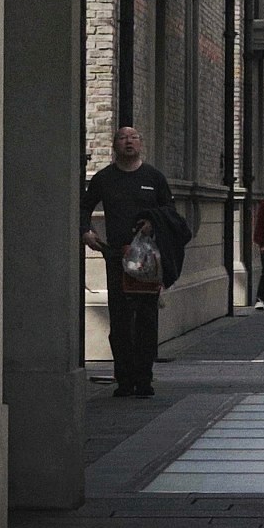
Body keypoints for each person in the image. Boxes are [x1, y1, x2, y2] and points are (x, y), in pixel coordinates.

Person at [83, 124, 186, 398]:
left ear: (141, 144)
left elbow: (170, 212)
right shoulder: (104, 178)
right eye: (123, 138)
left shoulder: (154, 177)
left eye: (133, 138)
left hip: (148, 260)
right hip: (117, 256)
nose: (128, 142)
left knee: (146, 318)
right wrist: (86, 232)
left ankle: (144, 377)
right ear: (114, 145)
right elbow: (84, 206)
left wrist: (154, 222)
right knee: (119, 319)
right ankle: (124, 379)